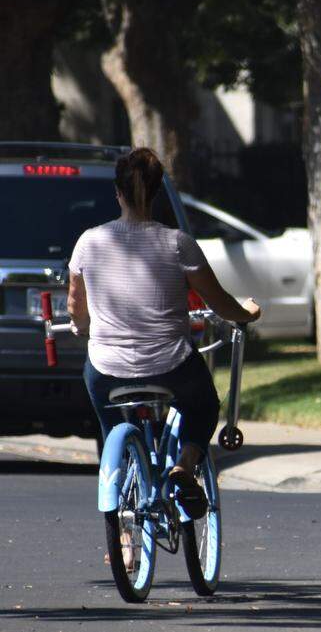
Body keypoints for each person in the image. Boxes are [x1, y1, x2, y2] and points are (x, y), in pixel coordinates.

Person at [67, 148, 260, 519]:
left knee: (110, 422)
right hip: (171, 365)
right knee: (202, 405)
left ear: (117, 192)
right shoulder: (177, 243)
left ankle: (123, 531)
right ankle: (184, 468)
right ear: (155, 193)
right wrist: (246, 313)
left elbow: (76, 306)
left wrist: (81, 327)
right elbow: (218, 301)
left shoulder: (89, 242)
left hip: (108, 367)